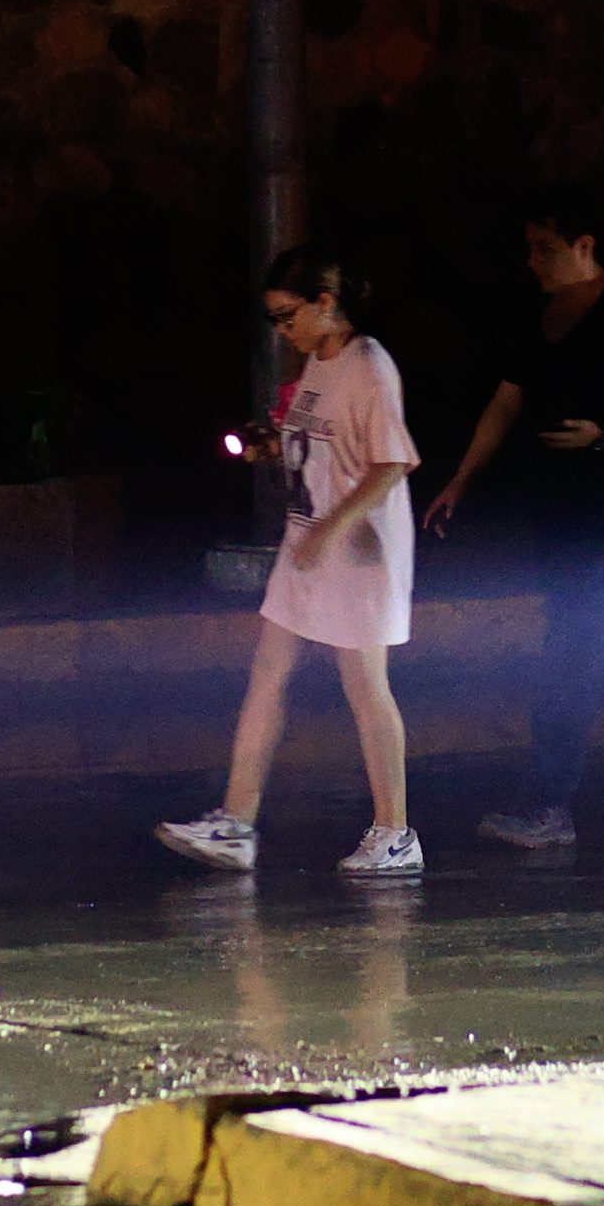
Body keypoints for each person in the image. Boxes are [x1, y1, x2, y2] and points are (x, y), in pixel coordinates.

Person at [429, 184, 604, 851]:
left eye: (546, 248)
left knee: (574, 644)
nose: (533, 260)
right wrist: (460, 481)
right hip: (556, 501)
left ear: (584, 246)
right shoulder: (538, 313)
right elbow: (505, 401)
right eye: (530, 247)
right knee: (601, 643)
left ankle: (547, 803)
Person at [156, 246, 425, 880]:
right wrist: (273, 445)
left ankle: (395, 833)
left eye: (287, 316)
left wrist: (332, 529)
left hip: (357, 551)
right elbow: (321, 446)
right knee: (266, 675)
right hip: (306, 545)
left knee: (364, 686)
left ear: (326, 305)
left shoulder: (369, 367)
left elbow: (393, 463)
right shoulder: (316, 365)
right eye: (274, 320)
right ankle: (236, 824)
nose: (283, 331)